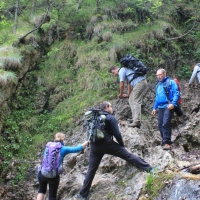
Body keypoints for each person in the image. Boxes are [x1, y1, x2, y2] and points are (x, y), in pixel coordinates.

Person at [76, 101, 154, 200]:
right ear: (107, 107)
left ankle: (82, 195)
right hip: (107, 143)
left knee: (91, 170)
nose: (112, 109)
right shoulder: (110, 117)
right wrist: (121, 146)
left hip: (94, 146)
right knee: (127, 155)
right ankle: (149, 168)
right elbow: (117, 134)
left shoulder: (95, 117)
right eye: (111, 106)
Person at [37, 132, 88, 200]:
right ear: (63, 139)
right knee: (52, 197)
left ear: (55, 138)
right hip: (53, 176)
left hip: (42, 174)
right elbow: (76, 149)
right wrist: (86, 142)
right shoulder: (63, 148)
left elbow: (43, 159)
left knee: (41, 191)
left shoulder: (48, 146)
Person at [152, 69, 180, 150]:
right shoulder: (158, 85)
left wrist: (173, 104)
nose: (158, 77)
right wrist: (154, 107)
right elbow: (157, 98)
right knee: (160, 125)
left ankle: (167, 143)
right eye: (157, 75)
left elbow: (176, 93)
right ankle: (164, 141)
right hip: (160, 107)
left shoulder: (171, 82)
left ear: (164, 73)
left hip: (168, 106)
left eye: (160, 75)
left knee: (165, 124)